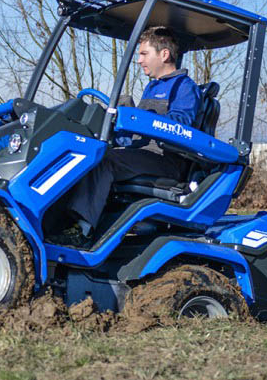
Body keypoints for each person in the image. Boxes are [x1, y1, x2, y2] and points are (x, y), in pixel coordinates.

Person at [61, 26, 200, 243]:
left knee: (104, 161)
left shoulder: (184, 87)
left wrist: (148, 119)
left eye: (144, 54)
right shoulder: (152, 88)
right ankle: (63, 220)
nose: (139, 60)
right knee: (89, 151)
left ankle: (81, 230)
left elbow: (182, 125)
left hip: (166, 159)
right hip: (142, 154)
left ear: (164, 54)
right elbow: (137, 135)